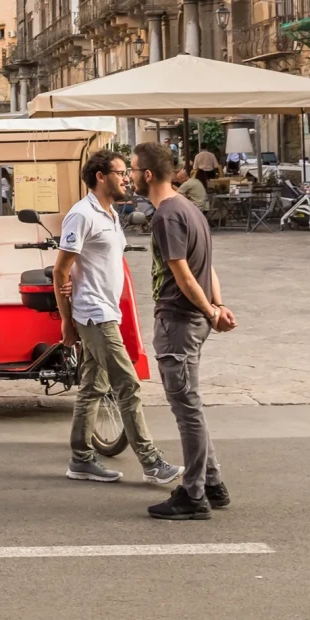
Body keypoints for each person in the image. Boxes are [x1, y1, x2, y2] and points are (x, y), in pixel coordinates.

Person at [54, 149, 180, 487]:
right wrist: (67, 321)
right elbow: (60, 270)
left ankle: (81, 459)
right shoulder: (82, 215)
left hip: (107, 310)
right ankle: (151, 461)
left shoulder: (109, 213)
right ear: (100, 176)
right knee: (128, 384)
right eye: (121, 172)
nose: (127, 178)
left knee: (93, 386)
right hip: (93, 313)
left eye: (127, 172)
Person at [132, 142, 236, 521]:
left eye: (132, 170)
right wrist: (217, 307)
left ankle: (193, 495)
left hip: (178, 320)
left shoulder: (166, 216)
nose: (129, 177)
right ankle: (211, 482)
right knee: (192, 405)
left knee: (186, 409)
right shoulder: (189, 208)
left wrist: (210, 309)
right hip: (194, 319)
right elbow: (209, 267)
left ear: (147, 174)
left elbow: (184, 272)